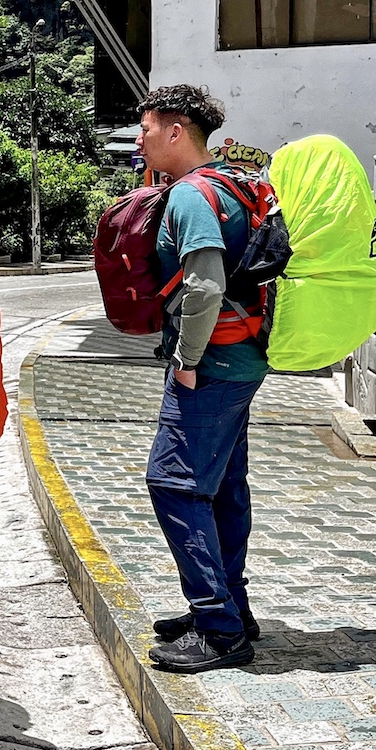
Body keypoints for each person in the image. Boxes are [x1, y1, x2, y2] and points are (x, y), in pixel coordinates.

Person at [135, 84, 265, 673]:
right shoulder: (233, 184)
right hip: (242, 359)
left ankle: (218, 628)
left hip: (210, 365)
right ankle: (231, 605)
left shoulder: (190, 196)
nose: (139, 141)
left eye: (145, 129)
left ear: (175, 131)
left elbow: (205, 283)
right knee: (222, 487)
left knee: (174, 483)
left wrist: (185, 360)